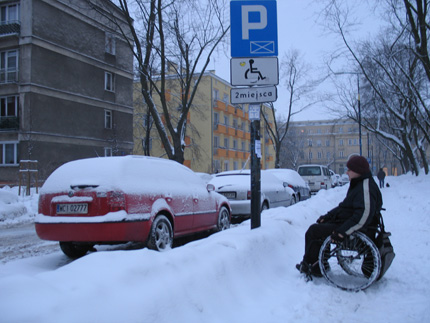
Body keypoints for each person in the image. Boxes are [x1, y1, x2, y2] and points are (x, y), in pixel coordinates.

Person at [296, 155, 383, 278]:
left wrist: (342, 232)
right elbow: (345, 206)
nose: (346, 172)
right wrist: (328, 216)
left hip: (357, 230)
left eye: (349, 170)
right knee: (320, 226)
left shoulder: (365, 187)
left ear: (358, 171)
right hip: (348, 223)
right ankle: (319, 264)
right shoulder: (359, 183)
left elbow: (363, 216)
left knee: (313, 231)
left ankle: (314, 267)